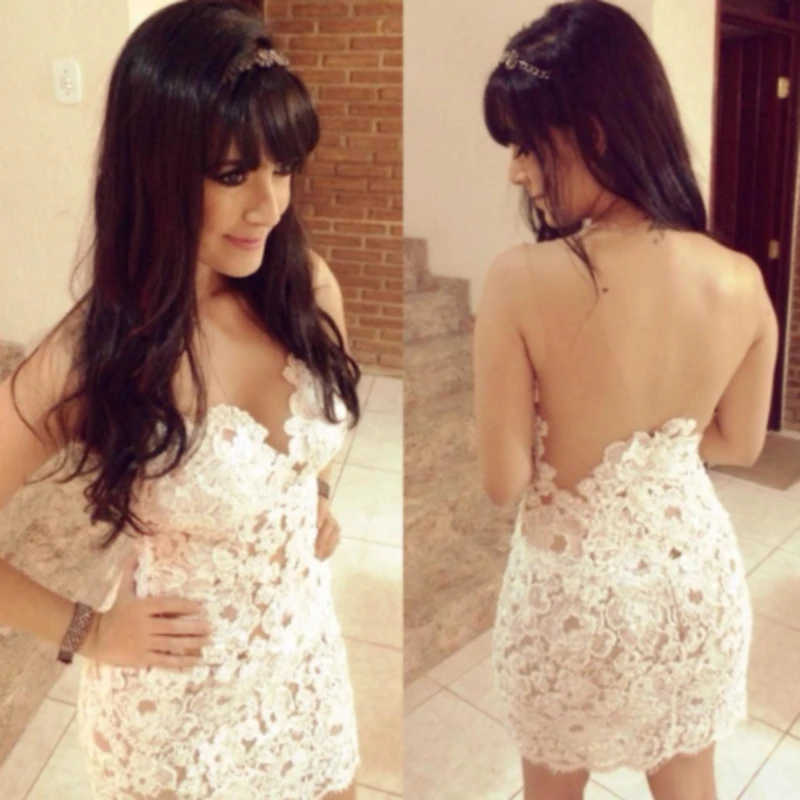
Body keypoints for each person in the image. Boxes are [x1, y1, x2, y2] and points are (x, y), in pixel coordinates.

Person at [0, 1, 362, 797]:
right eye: (232, 175)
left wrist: (312, 494)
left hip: (306, 665)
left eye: (282, 167)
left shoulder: (305, 289)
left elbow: (315, 433)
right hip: (174, 712)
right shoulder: (93, 353)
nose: (268, 205)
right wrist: (88, 630)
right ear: (152, 170)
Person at [473, 2, 779, 799]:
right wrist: (650, 456)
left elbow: (504, 480)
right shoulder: (741, 281)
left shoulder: (518, 281)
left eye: (525, 144)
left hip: (572, 595)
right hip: (693, 583)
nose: (515, 171)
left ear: (594, 133)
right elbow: (741, 444)